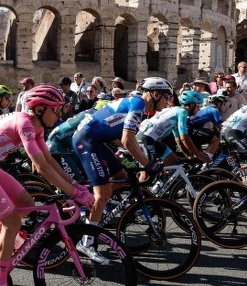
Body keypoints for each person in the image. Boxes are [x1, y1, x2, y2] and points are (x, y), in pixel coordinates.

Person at [0, 85, 92, 286]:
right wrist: (74, 193)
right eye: (56, 110)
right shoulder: (26, 124)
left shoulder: (36, 127)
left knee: (27, 203)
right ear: (39, 109)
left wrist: (76, 184)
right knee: (11, 221)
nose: (60, 114)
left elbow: (50, 161)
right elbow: (40, 167)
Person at [71, 77, 172, 262]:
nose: (168, 102)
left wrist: (142, 160)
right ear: (156, 94)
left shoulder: (137, 103)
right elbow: (127, 140)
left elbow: (125, 138)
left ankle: (86, 201)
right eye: (167, 97)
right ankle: (86, 242)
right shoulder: (139, 103)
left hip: (96, 141)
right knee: (103, 193)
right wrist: (148, 164)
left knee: (121, 176)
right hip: (87, 141)